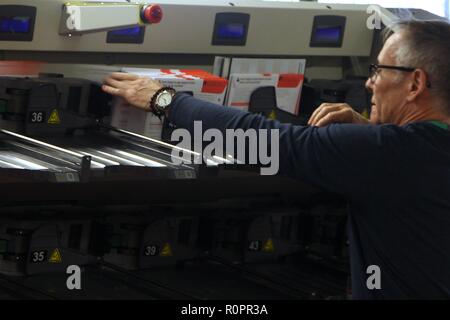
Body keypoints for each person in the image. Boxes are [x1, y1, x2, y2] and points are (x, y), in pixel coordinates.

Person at [102, 20, 450, 299]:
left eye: (378, 70)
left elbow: (260, 139)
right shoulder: (408, 151)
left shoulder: (385, 154)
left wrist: (164, 100)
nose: (370, 83)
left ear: (415, 83)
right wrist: (366, 135)